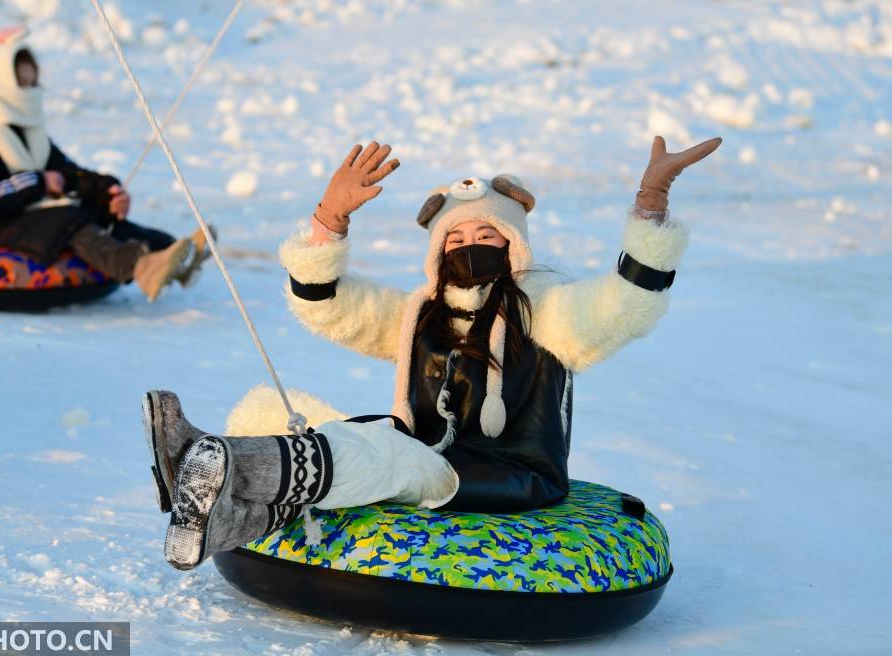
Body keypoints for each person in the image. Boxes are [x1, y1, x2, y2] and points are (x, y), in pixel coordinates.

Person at [143, 135, 721, 570]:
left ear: (513, 244)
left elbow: (624, 306)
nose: (472, 247)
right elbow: (327, 306)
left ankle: (207, 461)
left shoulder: (542, 310)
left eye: (487, 236)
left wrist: (651, 204)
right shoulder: (422, 314)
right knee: (330, 428)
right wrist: (329, 220)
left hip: (513, 473)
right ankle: (209, 509)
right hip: (423, 454)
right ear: (437, 250)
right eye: (457, 238)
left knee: (385, 457)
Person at [0, 27, 209, 302]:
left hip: (21, 211)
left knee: (93, 210)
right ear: (0, 84)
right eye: (21, 84)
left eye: (33, 83)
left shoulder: (28, 130)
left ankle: (173, 252)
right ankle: (141, 267)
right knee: (66, 219)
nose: (29, 91)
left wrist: (107, 191)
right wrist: (40, 182)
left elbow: (66, 172)